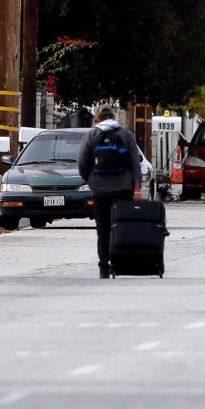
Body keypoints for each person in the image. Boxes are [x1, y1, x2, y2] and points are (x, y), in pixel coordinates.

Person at [77, 106, 143, 279]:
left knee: (103, 229)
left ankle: (103, 267)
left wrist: (91, 182)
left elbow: (82, 163)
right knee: (120, 227)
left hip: (100, 191)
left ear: (97, 118)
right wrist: (136, 188)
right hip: (123, 190)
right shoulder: (126, 135)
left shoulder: (91, 135)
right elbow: (135, 164)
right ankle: (118, 262)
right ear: (114, 117)